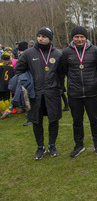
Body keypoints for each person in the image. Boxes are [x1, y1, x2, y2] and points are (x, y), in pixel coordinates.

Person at [15, 27, 63, 160]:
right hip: (35, 94)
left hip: (52, 93)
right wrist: (27, 83)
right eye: (39, 36)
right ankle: (40, 147)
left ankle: (52, 145)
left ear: (50, 38)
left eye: (43, 36)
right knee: (36, 121)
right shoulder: (29, 53)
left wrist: (59, 88)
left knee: (53, 120)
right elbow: (18, 70)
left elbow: (61, 74)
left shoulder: (57, 54)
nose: (40, 38)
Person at [62, 26, 97, 157]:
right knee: (77, 121)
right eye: (76, 37)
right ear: (72, 38)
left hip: (92, 92)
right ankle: (79, 145)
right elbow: (63, 70)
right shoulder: (66, 52)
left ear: (86, 38)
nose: (79, 39)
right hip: (75, 93)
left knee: (94, 120)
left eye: (82, 37)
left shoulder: (95, 50)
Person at [0, 51, 15, 118]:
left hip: (1, 84)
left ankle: (6, 110)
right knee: (6, 98)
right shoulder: (11, 67)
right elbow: (13, 76)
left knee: (0, 99)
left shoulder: (0, 66)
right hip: (7, 85)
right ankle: (7, 110)